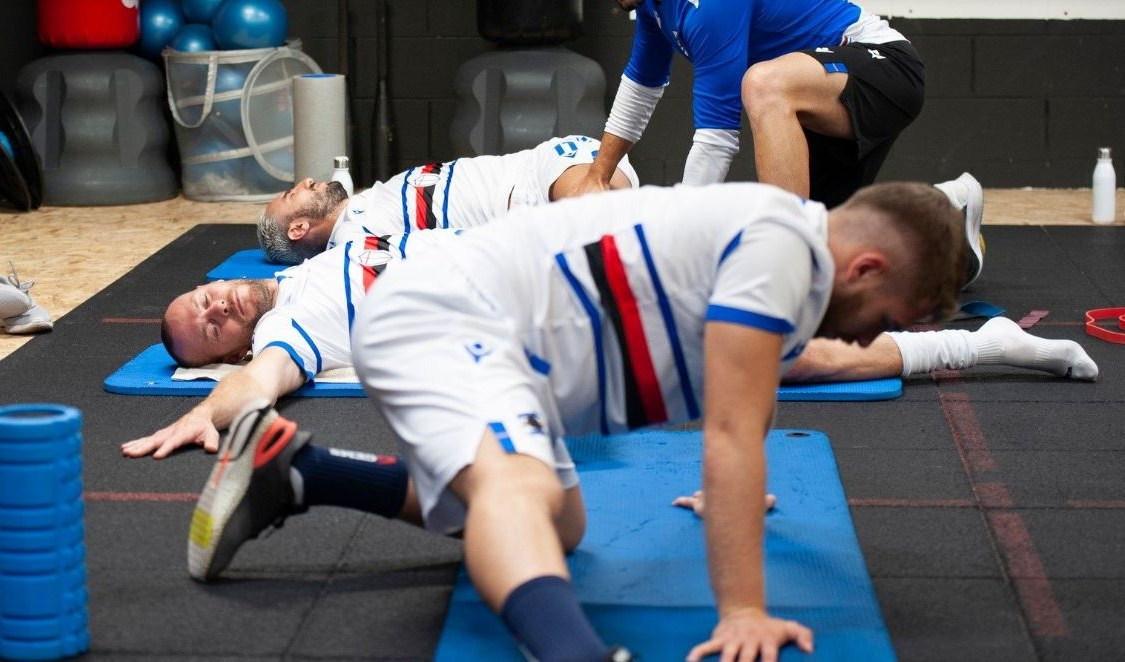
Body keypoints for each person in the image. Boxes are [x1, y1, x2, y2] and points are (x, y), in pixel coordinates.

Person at [180, 182, 1073, 660]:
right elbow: (727, 435)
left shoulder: (782, 253)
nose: (871, 335)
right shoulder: (782, 252)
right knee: (514, 490)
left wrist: (734, 493)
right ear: (867, 267)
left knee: (555, 525)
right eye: (885, 317)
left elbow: (762, 393)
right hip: (449, 317)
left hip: (489, 344)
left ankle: (298, 473)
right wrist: (743, 611)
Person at [121, 217, 1096, 460]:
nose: (208, 311)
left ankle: (946, 255)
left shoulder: (311, 254)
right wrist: (209, 411)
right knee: (781, 351)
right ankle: (980, 340)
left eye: (200, 297)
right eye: (199, 335)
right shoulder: (292, 323)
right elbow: (261, 382)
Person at [568, 0, 988, 286]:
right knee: (831, 248)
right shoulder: (655, 9)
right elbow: (641, 86)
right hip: (817, 102)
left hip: (882, 65)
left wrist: (678, 243)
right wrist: (597, 175)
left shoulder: (708, 6)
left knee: (763, 84)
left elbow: (716, 136)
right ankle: (946, 210)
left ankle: (787, 269)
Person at [257, 135, 640, 265]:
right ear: (298, 228)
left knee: (608, 220)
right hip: (532, 199)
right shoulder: (354, 242)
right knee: (604, 224)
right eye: (295, 194)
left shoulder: (365, 202)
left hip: (539, 163)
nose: (306, 181)